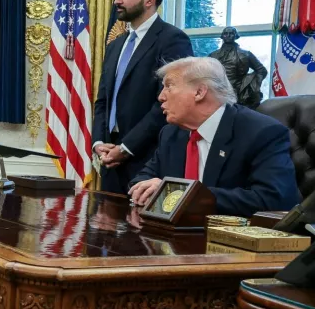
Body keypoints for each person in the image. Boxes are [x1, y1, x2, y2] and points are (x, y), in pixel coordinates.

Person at [127, 57, 300, 218]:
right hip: (174, 236)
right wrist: (150, 188)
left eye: (169, 86)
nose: (161, 97)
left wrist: (182, 195)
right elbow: (142, 179)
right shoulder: (171, 133)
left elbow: (273, 200)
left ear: (199, 92)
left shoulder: (261, 132)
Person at [92, 0, 193, 194]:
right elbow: (102, 101)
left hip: (147, 161)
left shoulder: (172, 39)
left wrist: (126, 148)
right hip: (109, 160)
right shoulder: (116, 45)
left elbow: (167, 104)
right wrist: (99, 143)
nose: (117, 0)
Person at [209, 27, 268, 109]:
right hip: (219, 92)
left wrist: (250, 85)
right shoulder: (213, 55)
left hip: (238, 92)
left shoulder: (246, 54)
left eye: (231, 33)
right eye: (226, 34)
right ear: (222, 36)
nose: (228, 35)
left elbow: (262, 71)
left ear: (236, 36)